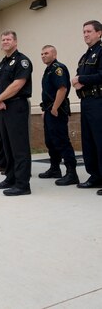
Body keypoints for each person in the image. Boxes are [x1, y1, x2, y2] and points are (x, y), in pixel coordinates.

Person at [0, 30, 32, 196]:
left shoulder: (22, 61)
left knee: (19, 147)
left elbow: (18, 84)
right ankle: (11, 177)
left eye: (8, 39)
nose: (5, 42)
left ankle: (23, 185)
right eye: (3, 39)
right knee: (7, 146)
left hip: (16, 107)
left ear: (15, 42)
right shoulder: (2, 63)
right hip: (3, 108)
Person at [39, 45, 79, 186]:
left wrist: (55, 108)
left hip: (57, 110)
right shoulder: (48, 70)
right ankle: (55, 169)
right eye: (42, 53)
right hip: (49, 110)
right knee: (50, 141)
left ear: (54, 55)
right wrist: (46, 110)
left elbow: (62, 88)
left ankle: (71, 173)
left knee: (61, 141)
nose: (43, 55)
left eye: (46, 53)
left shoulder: (58, 68)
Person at [71, 20, 102, 195]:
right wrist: (77, 81)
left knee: (100, 140)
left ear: (99, 33)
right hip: (86, 102)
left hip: (98, 101)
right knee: (88, 141)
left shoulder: (101, 52)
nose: (85, 34)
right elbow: (78, 76)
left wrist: (81, 80)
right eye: (83, 32)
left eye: (89, 31)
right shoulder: (85, 57)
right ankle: (95, 176)